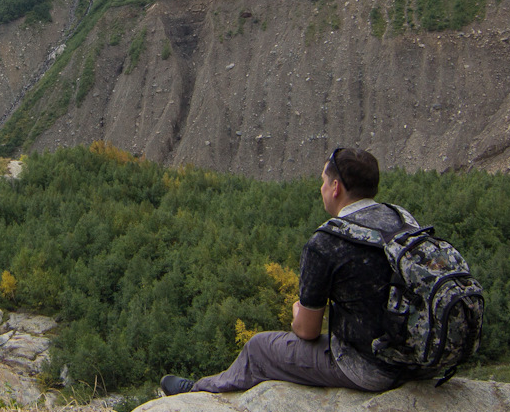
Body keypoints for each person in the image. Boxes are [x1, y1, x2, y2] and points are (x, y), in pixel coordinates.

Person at [161, 146, 411, 396]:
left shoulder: (326, 242)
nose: (321, 188)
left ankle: (198, 391)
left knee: (259, 347)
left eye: (323, 181)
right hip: (418, 360)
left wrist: (298, 313)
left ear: (336, 188)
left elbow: (307, 331)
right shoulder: (402, 219)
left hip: (373, 368)